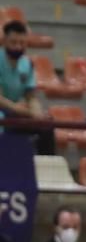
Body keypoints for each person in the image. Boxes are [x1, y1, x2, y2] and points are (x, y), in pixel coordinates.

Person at [0, 20, 55, 156]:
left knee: (46, 126)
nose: (18, 47)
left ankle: (44, 170)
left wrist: (36, 111)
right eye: (14, 42)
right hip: (5, 111)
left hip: (16, 111)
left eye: (22, 43)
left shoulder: (27, 64)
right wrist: (22, 111)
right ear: (5, 41)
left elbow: (30, 95)